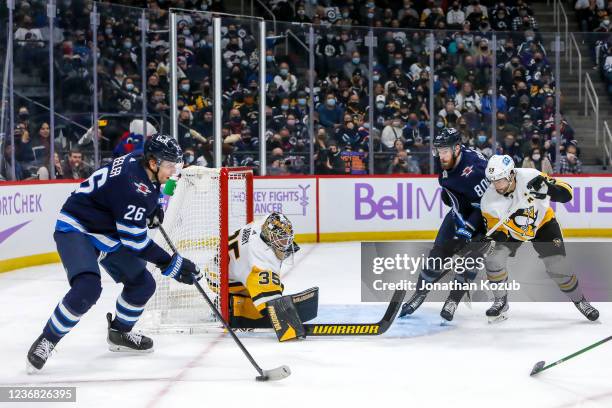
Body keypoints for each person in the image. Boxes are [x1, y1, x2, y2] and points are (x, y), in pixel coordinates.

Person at [26, 134, 202, 373]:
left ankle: (120, 333)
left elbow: (149, 192)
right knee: (87, 288)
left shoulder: (137, 163)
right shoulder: (134, 189)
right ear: (153, 162)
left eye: (176, 165)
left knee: (143, 284)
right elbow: (136, 243)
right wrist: (172, 264)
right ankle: (47, 339)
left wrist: (155, 207)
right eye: (170, 166)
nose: (174, 171)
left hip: (107, 231)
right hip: (77, 227)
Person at [480, 155, 599, 322]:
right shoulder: (488, 200)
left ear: (511, 174)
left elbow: (567, 194)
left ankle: (581, 301)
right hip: (513, 231)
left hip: (543, 224)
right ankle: (501, 301)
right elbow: (498, 230)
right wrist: (492, 240)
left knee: (558, 266)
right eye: (492, 180)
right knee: (493, 259)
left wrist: (549, 189)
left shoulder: (531, 175)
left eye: (500, 180)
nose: (496, 185)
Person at [399, 128, 489, 321]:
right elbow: (456, 203)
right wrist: (460, 225)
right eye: (439, 151)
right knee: (438, 254)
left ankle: (452, 301)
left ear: (457, 148)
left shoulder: (478, 168)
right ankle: (419, 294)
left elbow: (487, 205)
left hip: (485, 218)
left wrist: (470, 228)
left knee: (470, 261)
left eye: (445, 151)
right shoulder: (446, 169)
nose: (441, 156)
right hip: (461, 212)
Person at [225, 213, 317, 342]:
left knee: (272, 285)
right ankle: (232, 309)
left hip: (230, 265)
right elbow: (272, 308)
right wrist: (286, 320)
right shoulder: (260, 261)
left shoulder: (263, 224)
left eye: (287, 239)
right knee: (268, 295)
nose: (286, 243)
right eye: (281, 239)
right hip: (222, 281)